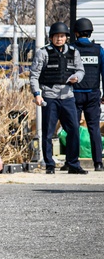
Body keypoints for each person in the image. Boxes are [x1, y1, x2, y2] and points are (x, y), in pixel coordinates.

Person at [30, 21, 85, 174]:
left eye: (62, 36)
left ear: (66, 37)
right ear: (51, 38)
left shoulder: (74, 52)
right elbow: (34, 76)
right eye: (56, 36)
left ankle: (73, 164)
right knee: (48, 132)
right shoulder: (43, 53)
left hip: (68, 97)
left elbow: (81, 70)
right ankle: (49, 164)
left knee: (74, 129)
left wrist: (77, 77)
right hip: (49, 97)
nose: (59, 39)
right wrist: (37, 94)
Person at [71, 17, 104, 171]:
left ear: (76, 32)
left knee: (73, 128)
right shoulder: (98, 50)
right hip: (93, 94)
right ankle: (98, 163)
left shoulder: (70, 49)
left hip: (74, 94)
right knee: (94, 128)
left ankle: (72, 162)